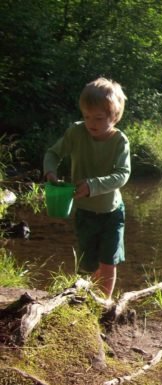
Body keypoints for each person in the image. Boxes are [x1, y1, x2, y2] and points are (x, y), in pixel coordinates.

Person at [44, 77, 130, 300]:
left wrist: (92, 185)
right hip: (84, 211)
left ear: (114, 116)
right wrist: (50, 172)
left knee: (108, 261)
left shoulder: (120, 141)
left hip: (112, 212)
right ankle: (85, 300)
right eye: (87, 116)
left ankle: (104, 303)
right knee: (87, 263)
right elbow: (53, 153)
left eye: (99, 118)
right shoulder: (76, 133)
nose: (91, 122)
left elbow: (123, 175)